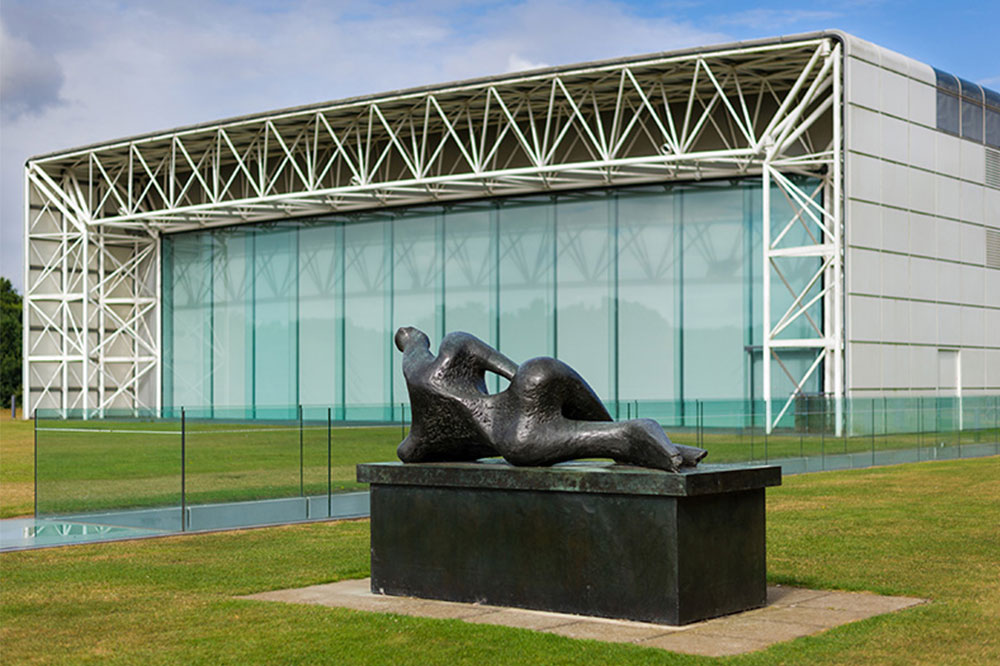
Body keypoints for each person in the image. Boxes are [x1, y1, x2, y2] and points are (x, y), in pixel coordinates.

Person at [395, 327, 706, 472]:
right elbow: (514, 372)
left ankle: (638, 436)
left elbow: (410, 453)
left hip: (516, 433)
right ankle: (661, 447)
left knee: (614, 438)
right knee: (604, 431)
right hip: (536, 375)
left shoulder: (419, 401)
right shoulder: (456, 343)